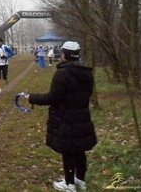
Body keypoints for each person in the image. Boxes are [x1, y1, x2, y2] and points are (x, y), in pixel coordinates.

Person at [26, 41, 97, 192]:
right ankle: (80, 180)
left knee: (69, 150)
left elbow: (53, 98)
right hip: (83, 116)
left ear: (64, 55)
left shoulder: (62, 74)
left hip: (66, 118)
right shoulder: (87, 73)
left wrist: (32, 98)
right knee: (79, 149)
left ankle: (69, 184)